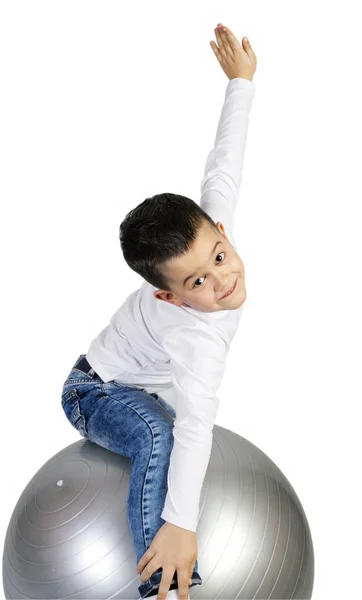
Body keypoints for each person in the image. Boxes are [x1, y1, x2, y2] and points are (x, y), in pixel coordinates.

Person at [61, 22, 257, 600]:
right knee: (159, 437)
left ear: (219, 230)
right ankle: (165, 587)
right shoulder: (194, 335)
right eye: (199, 280)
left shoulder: (208, 232)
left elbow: (225, 164)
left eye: (220, 255)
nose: (223, 279)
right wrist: (182, 526)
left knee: (167, 424)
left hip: (142, 383)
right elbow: (194, 425)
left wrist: (240, 83)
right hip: (93, 392)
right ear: (169, 295)